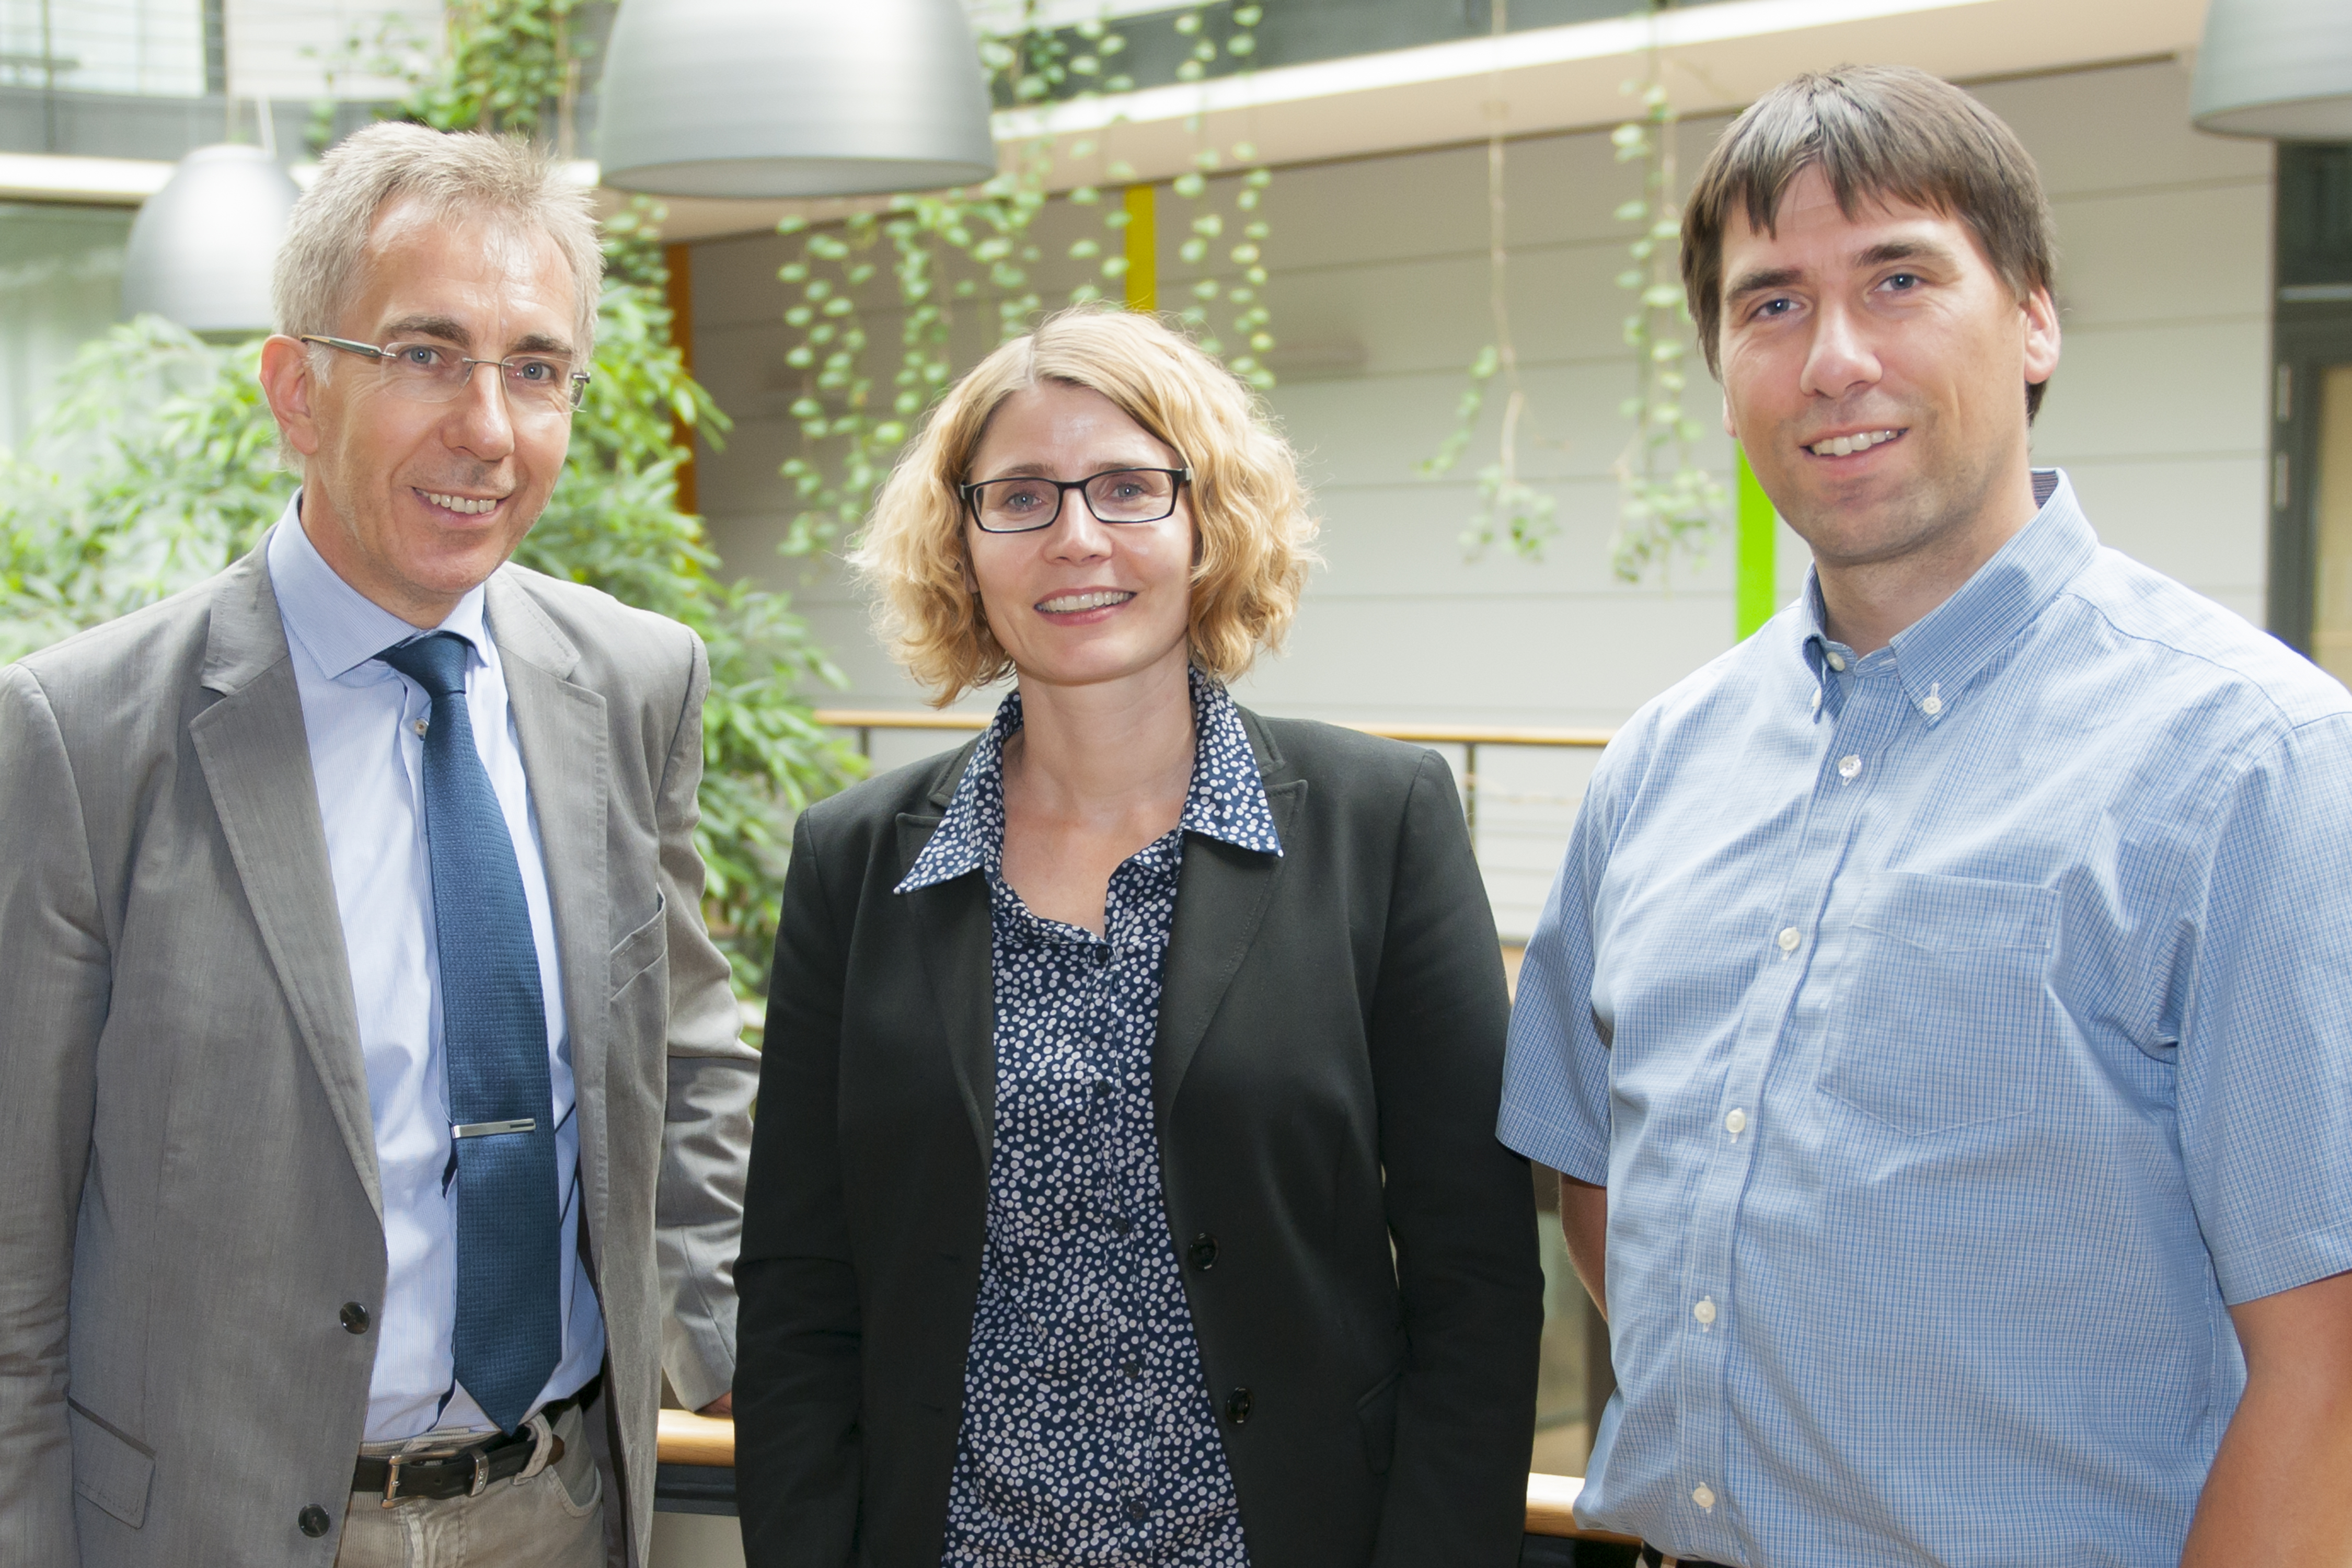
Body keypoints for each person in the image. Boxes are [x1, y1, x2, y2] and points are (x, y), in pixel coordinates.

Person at [1498, 63, 2352, 1568]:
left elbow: (2329, 1367)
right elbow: (1598, 1182)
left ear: (2032, 316)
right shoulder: (1655, 768)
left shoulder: (2257, 766)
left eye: (1898, 278)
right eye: (1767, 304)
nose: (1832, 358)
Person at [0, 123, 753, 1567]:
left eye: (536, 368)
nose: (489, 426)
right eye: (425, 353)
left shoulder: (638, 681)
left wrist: (728, 1333)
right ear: (296, 390)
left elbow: (686, 1050)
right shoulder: (81, 739)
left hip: (561, 1512)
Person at [732, 304, 1543, 1568]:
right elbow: (797, 1284)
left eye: (1127, 488)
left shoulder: (1380, 824)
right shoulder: (856, 860)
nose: (1075, 539)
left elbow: (1478, 1284)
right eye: (1021, 497)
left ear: (1206, 518)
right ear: (963, 539)